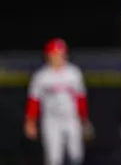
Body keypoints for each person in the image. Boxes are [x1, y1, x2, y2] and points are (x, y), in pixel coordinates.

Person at [24, 37, 94, 165]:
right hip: (51, 120)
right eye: (56, 53)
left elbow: (81, 99)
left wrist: (84, 120)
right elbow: (34, 100)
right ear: (48, 55)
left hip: (72, 119)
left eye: (61, 53)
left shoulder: (73, 73)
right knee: (53, 158)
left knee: (76, 155)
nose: (59, 56)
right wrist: (30, 121)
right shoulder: (41, 76)